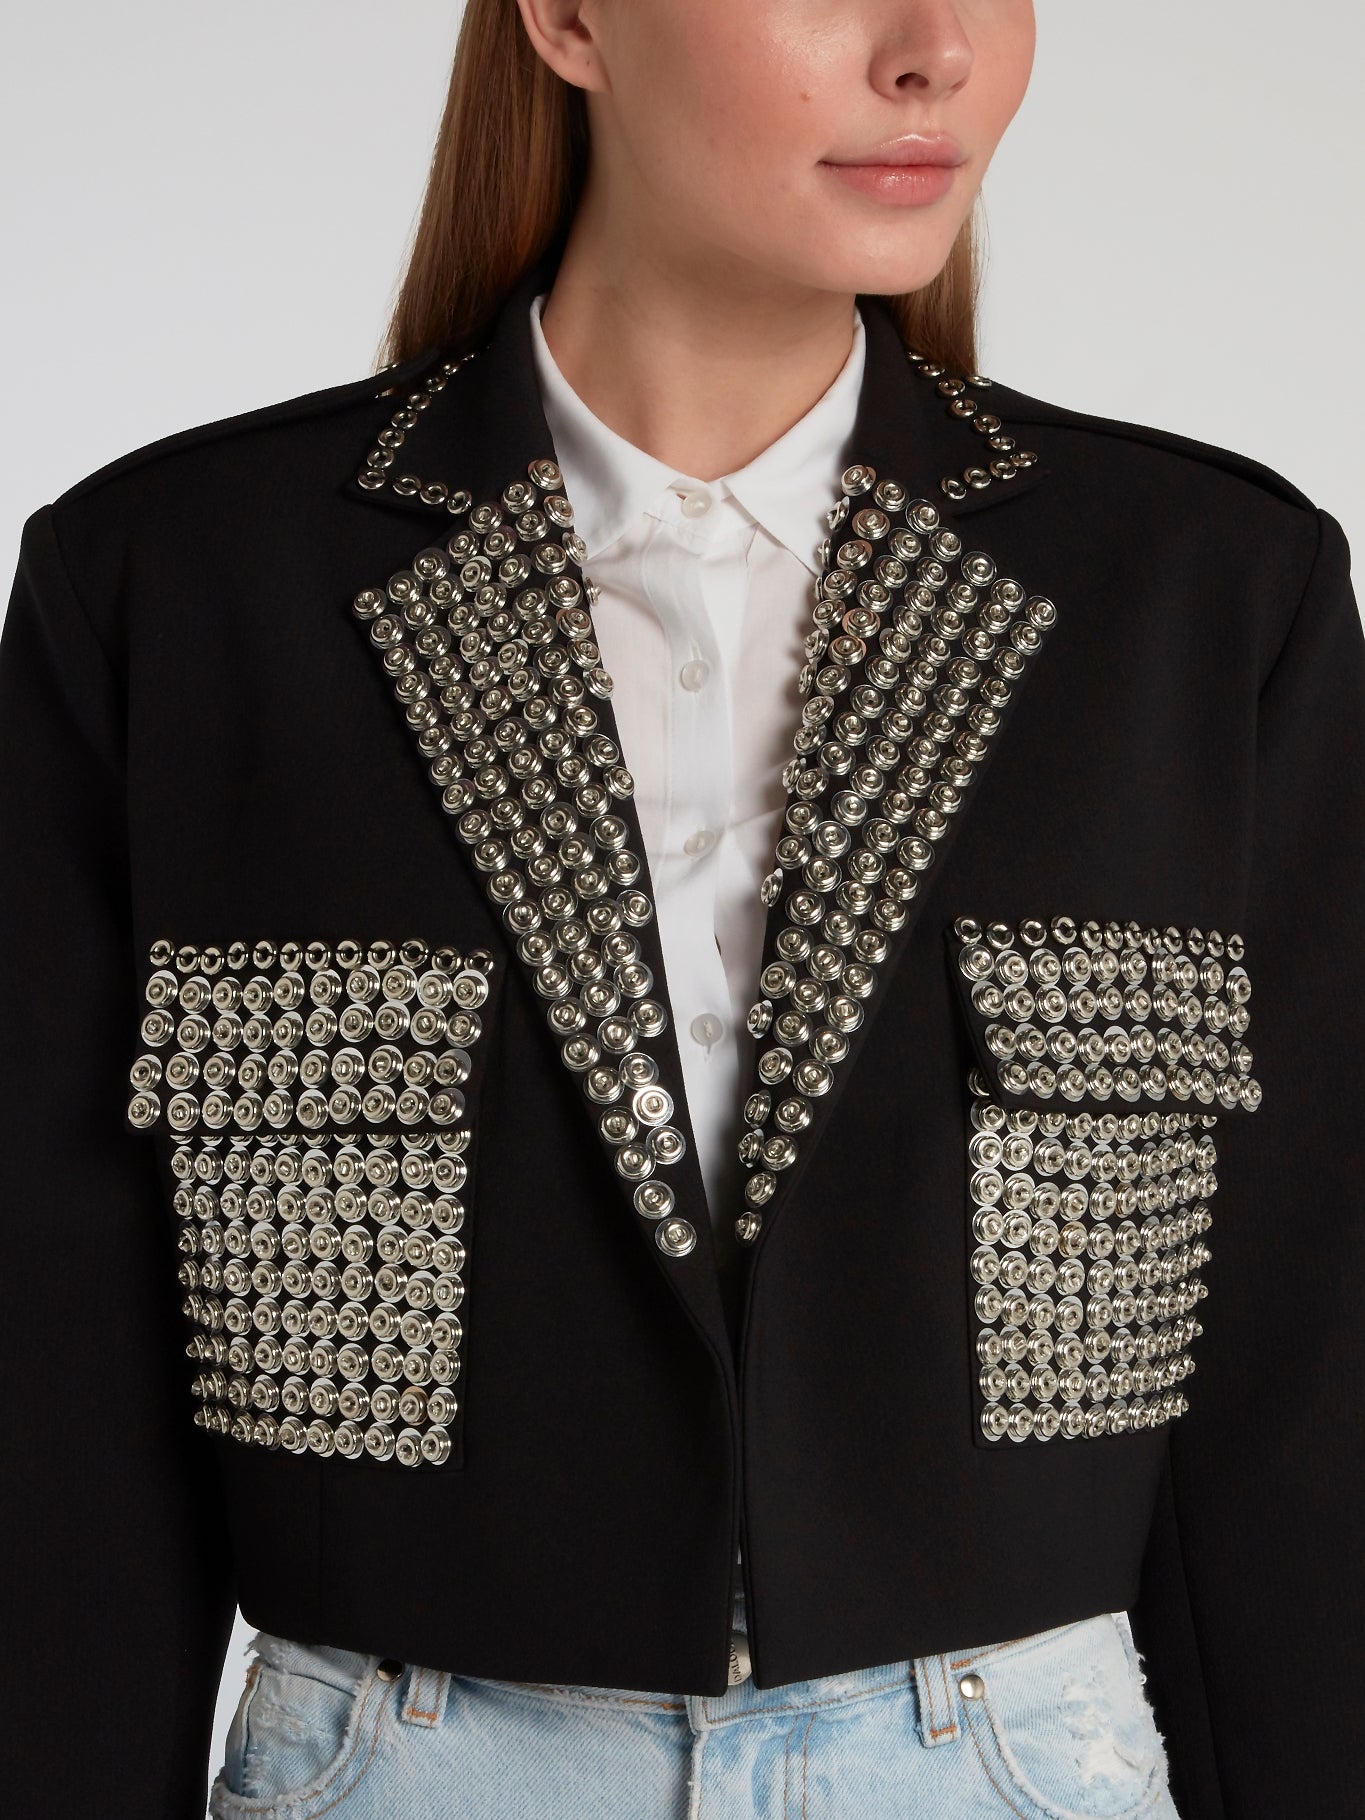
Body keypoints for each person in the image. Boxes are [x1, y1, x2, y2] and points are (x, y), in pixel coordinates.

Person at [2, 1, 1362, 1815]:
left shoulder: (1201, 590)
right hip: (403, 1766)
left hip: (1010, 1764)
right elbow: (62, 1365)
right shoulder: (181, 581)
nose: (934, 51)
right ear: (570, 19)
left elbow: (1289, 1358)